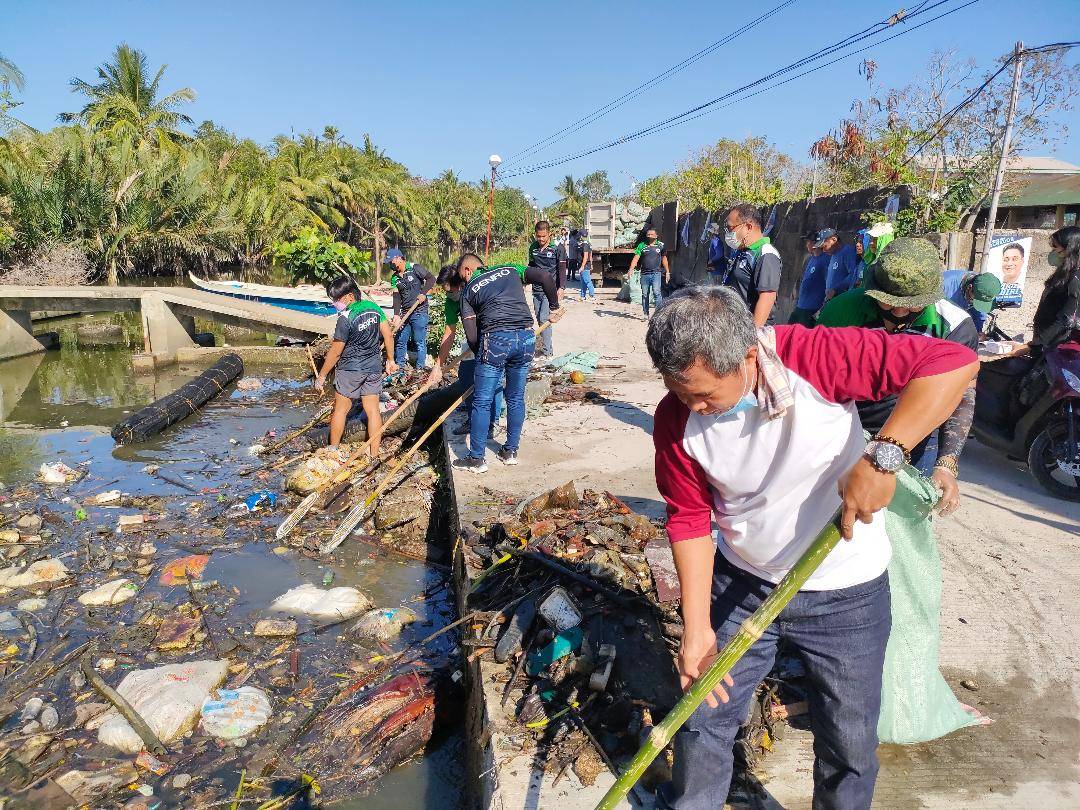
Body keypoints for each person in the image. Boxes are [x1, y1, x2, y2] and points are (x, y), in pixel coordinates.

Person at [647, 286, 978, 810]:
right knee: (704, 716)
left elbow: (953, 361)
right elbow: (689, 519)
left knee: (848, 737)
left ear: (749, 357)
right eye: (681, 393)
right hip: (744, 582)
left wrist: (885, 453)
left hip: (847, 591)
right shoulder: (675, 419)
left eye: (704, 394)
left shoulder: (813, 357)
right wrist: (696, 628)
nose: (694, 407)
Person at [818, 238, 979, 500]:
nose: (900, 311)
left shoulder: (955, 327)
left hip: (914, 441)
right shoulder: (841, 311)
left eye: (913, 303)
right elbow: (812, 378)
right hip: (842, 431)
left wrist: (947, 463)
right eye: (888, 301)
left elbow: (960, 394)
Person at [444, 253, 563, 472]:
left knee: (481, 400)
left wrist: (486, 358)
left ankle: (477, 459)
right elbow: (546, 276)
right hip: (527, 337)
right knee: (516, 397)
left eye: (462, 276)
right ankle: (510, 452)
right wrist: (554, 308)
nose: (462, 282)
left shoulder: (468, 291)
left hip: (496, 339)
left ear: (468, 271)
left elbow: (472, 337)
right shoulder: (510, 269)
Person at [314, 276, 398, 458]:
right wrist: (390, 360)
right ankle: (374, 453)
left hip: (350, 370)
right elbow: (388, 335)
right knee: (373, 411)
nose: (335, 303)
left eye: (337, 299)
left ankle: (333, 450)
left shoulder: (345, 317)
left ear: (350, 296)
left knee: (340, 410)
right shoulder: (374, 309)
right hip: (373, 368)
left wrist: (321, 376)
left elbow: (336, 351)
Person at [430, 264, 505, 440]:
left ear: (460, 285)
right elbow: (449, 332)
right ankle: (474, 419)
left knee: (492, 379)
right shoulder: (451, 301)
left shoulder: (477, 288)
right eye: (446, 291)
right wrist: (438, 365)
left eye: (450, 290)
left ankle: (492, 422)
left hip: (493, 335)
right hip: (472, 340)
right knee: (465, 375)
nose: (449, 295)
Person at [1010, 225, 1080, 355]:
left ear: (1070, 250)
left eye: (1057, 249)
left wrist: (1032, 346)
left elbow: (1066, 321)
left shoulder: (1075, 279)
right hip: (1045, 343)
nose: (1053, 253)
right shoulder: (1063, 274)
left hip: (1058, 348)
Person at [722, 202, 781, 326]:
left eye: (730, 228)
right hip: (732, 325)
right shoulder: (742, 250)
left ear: (748, 227)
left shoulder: (766, 253)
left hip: (747, 330)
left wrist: (753, 336)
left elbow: (767, 296)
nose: (728, 234)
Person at [386, 248, 434, 370]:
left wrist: (423, 293)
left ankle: (420, 367)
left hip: (419, 311)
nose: (390, 265)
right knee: (401, 339)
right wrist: (396, 315)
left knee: (419, 341)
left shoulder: (414, 268)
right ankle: (400, 366)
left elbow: (431, 279)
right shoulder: (394, 278)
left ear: (398, 258)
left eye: (391, 262)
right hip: (405, 313)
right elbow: (396, 297)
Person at [527, 221, 567, 359]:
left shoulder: (557, 248)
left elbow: (562, 269)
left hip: (550, 290)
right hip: (536, 289)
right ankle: (545, 347)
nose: (541, 239)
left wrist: (561, 288)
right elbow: (531, 267)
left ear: (549, 234)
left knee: (545, 318)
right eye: (538, 236)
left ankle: (547, 352)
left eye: (544, 236)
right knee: (539, 319)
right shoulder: (533, 247)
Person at [788, 231, 828, 326]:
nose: (807, 245)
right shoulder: (809, 259)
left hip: (812, 309)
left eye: (808, 242)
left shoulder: (826, 260)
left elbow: (828, 284)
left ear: (815, 243)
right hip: (800, 306)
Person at [627, 227, 669, 317]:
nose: (649, 236)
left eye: (651, 234)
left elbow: (664, 259)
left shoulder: (661, 246)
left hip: (656, 273)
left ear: (656, 236)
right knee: (645, 294)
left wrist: (667, 271)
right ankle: (646, 314)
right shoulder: (642, 245)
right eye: (648, 234)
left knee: (657, 292)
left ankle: (659, 313)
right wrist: (631, 269)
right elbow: (636, 258)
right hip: (644, 274)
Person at [817, 228, 859, 301]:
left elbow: (854, 274)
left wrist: (836, 290)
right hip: (831, 299)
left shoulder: (847, 251)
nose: (823, 251)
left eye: (824, 246)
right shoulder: (833, 254)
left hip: (840, 299)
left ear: (834, 239)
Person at [860, 222, 895, 290]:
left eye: (876, 239)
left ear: (885, 240)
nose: (871, 243)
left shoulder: (888, 265)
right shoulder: (871, 261)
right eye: (871, 239)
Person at [577, 229, 596, 301]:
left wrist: (582, 266)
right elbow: (590, 255)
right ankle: (582, 296)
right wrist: (591, 264)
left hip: (584, 265)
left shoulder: (584, 245)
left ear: (581, 236)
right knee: (583, 282)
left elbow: (586, 256)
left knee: (587, 281)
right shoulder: (588, 243)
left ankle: (592, 296)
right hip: (586, 265)